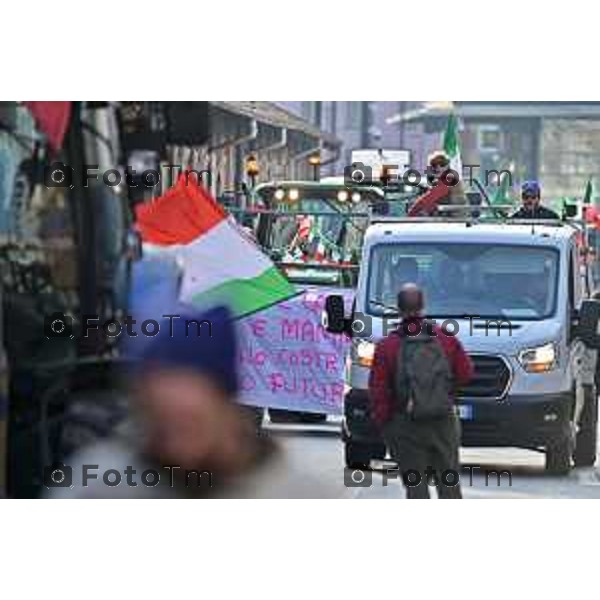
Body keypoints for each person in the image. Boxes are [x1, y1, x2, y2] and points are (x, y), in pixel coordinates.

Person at [48, 304, 339, 499]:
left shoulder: (300, 493)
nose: (176, 445)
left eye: (189, 422)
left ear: (228, 406)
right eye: (160, 424)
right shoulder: (103, 484)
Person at [368, 283, 473, 499]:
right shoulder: (445, 338)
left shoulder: (387, 346)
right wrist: (444, 396)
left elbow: (379, 391)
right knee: (449, 484)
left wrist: (385, 425)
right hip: (442, 421)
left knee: (416, 487)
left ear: (398, 309)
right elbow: (466, 373)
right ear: (423, 306)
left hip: (405, 424)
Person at [408, 151, 467, 217]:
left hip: (455, 220)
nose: (438, 167)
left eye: (442, 164)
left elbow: (427, 199)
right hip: (449, 218)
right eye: (434, 164)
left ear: (448, 165)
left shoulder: (448, 179)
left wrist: (411, 214)